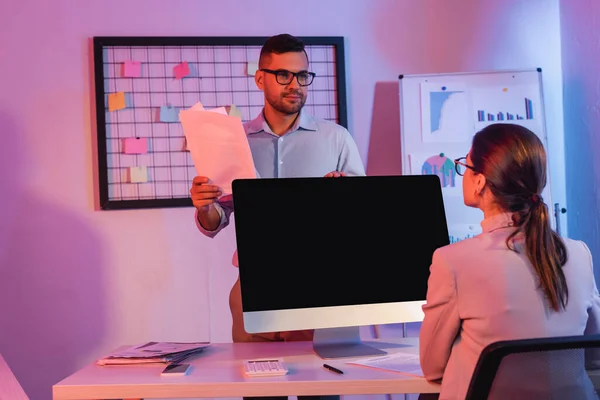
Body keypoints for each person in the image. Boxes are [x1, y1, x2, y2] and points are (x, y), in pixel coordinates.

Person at [190, 33, 365, 400]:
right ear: (260, 78)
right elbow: (215, 221)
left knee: (322, 394)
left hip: (321, 289)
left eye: (302, 76)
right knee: (260, 394)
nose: (295, 85)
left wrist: (343, 200)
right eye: (283, 75)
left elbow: (363, 220)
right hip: (254, 287)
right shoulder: (234, 140)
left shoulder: (336, 139)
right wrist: (205, 205)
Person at [418, 123, 600, 400]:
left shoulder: (452, 261)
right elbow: (593, 354)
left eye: (465, 167)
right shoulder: (579, 254)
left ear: (479, 181)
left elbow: (432, 368)